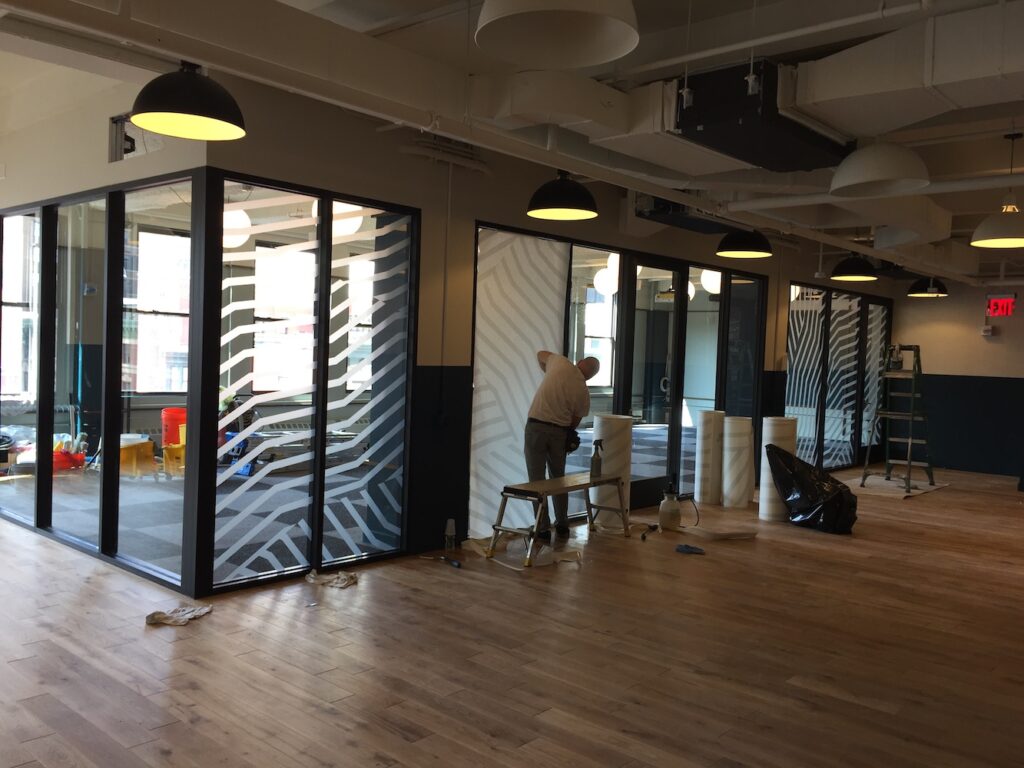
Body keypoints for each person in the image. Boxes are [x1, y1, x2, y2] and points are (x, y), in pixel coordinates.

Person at [524, 351, 600, 539]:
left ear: (579, 362)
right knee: (558, 479)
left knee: (536, 480)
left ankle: (542, 527)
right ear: (590, 377)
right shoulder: (583, 392)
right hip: (559, 433)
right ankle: (562, 523)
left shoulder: (559, 362)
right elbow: (575, 421)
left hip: (536, 427)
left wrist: (548, 371)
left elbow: (540, 354)